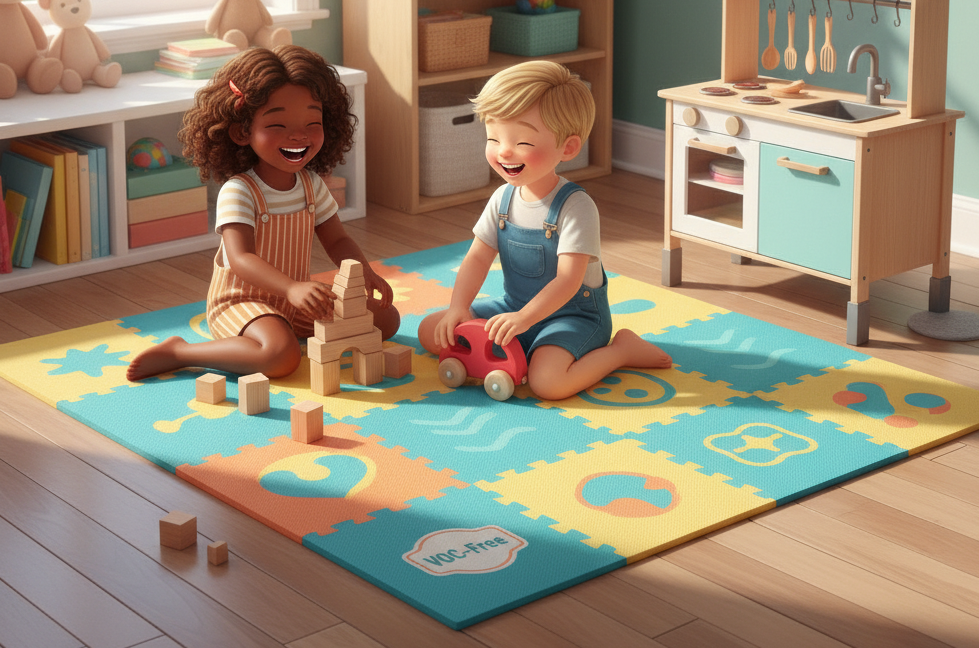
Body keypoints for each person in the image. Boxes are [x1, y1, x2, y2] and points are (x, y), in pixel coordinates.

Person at [127, 45, 396, 382]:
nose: (297, 135)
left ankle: (286, 333)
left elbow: (337, 238)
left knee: (384, 320)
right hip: (241, 302)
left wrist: (363, 273)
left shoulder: (311, 184)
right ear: (243, 131)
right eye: (278, 125)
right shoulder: (240, 190)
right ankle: (181, 351)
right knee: (281, 357)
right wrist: (291, 289)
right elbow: (241, 258)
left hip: (293, 297)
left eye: (312, 122)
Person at [418, 60, 670, 400]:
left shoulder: (576, 207)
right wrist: (459, 306)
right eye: (493, 138)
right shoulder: (502, 198)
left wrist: (524, 319)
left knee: (548, 383)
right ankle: (521, 347)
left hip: (573, 316)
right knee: (431, 330)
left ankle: (621, 351)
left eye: (521, 143)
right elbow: (477, 257)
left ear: (567, 147)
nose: (504, 151)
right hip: (515, 308)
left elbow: (568, 281)